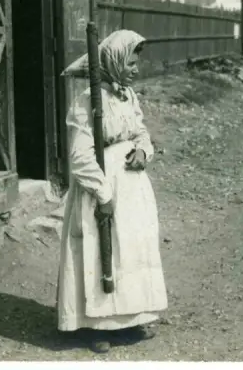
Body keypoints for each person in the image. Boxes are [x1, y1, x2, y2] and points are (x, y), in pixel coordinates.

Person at [56, 29, 168, 354]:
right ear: (116, 61)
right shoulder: (87, 101)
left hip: (132, 187)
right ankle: (97, 326)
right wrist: (103, 194)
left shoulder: (127, 96)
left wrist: (144, 152)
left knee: (131, 247)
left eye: (136, 63)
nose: (135, 69)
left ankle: (131, 318)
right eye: (131, 63)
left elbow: (141, 131)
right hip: (101, 185)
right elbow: (80, 156)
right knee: (99, 248)